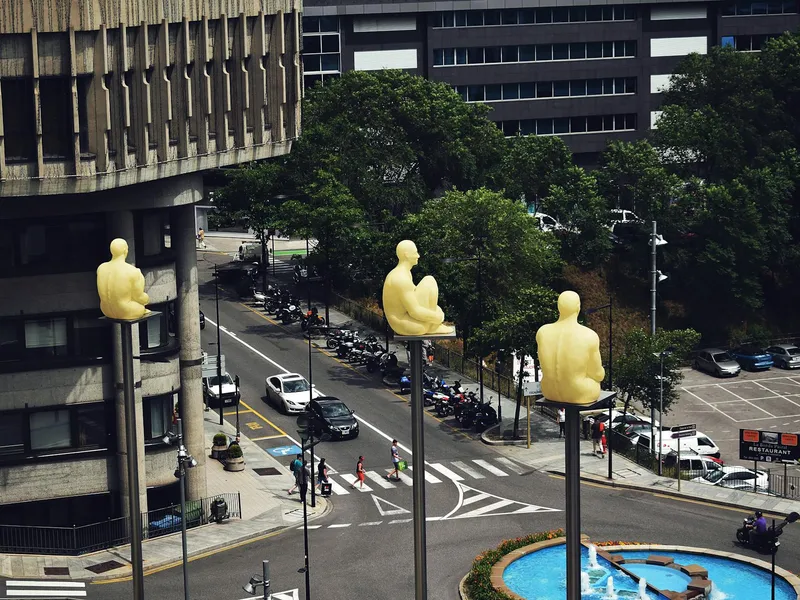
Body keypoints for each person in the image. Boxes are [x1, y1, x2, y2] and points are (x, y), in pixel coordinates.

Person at [536, 291, 605, 405]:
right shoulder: (589, 335)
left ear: (558, 307)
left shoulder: (542, 332)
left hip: (548, 391)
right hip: (579, 392)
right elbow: (598, 374)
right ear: (578, 308)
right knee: (596, 383)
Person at [382, 240, 454, 336]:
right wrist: (438, 317)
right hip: (403, 324)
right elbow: (415, 311)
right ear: (407, 255)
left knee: (430, 283)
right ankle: (433, 326)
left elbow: (414, 296)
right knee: (429, 281)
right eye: (415, 252)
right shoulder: (401, 278)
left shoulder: (404, 273)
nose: (418, 256)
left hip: (405, 317)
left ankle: (432, 325)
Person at [96, 238, 150, 320]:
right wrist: (147, 299)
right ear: (125, 251)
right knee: (142, 307)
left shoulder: (101, 268)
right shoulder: (132, 271)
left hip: (105, 310)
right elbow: (139, 297)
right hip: (126, 310)